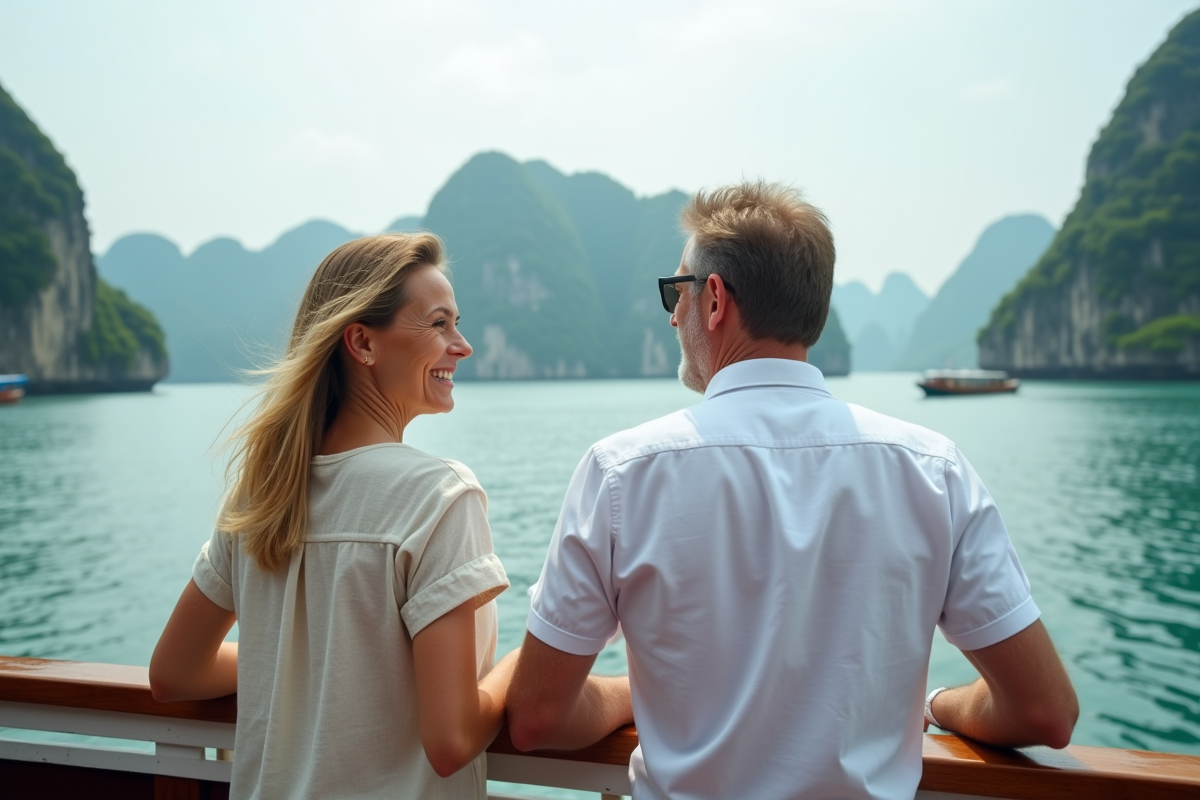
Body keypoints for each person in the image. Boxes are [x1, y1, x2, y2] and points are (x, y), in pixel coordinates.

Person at [506, 182, 1079, 799]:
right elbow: (1045, 713)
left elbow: (538, 717)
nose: (672, 314)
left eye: (676, 292)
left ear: (715, 299)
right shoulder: (933, 470)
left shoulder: (621, 473)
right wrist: (941, 705)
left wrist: (634, 695)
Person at [150, 233, 514, 799]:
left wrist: (305, 665)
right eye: (439, 324)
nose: (462, 345)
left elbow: (175, 671)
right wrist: (518, 668)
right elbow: (451, 740)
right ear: (363, 342)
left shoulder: (263, 492)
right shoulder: (439, 497)